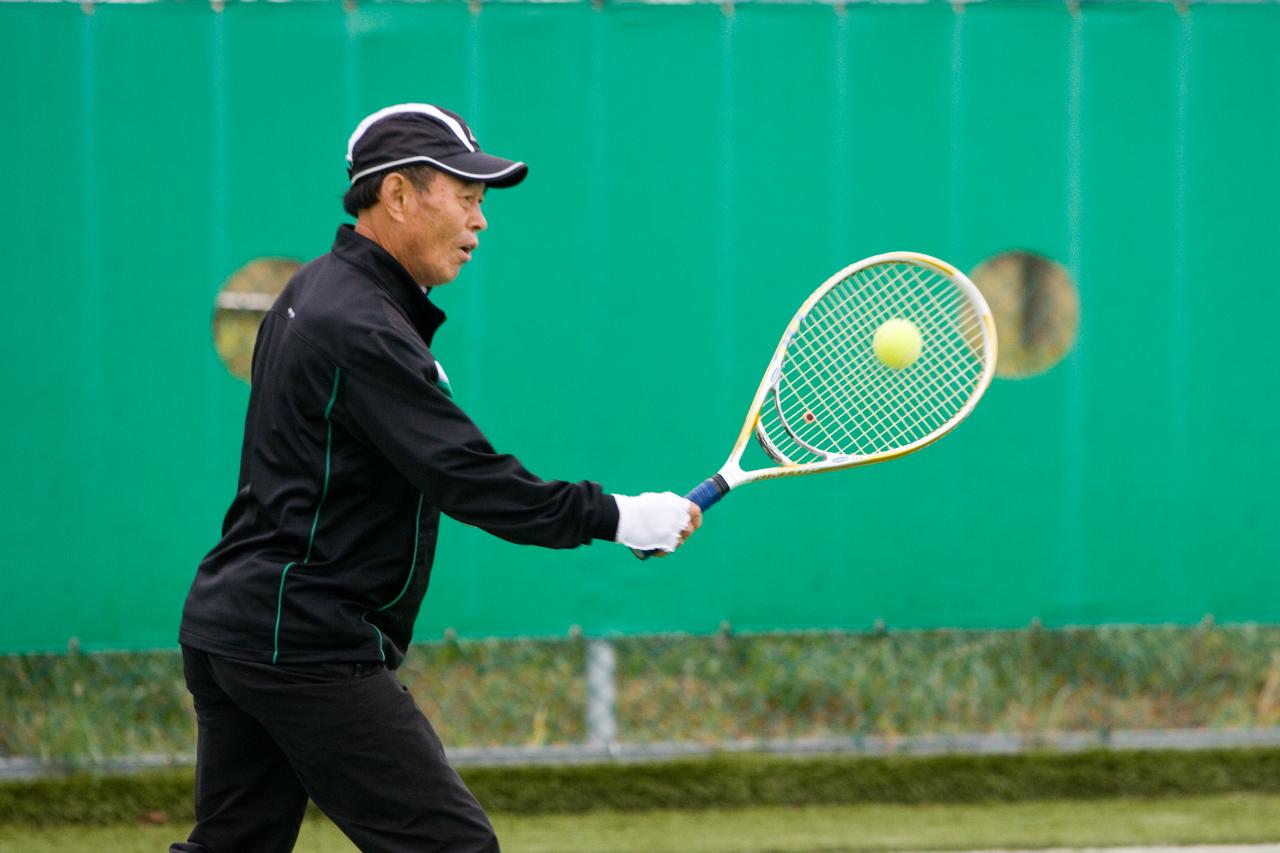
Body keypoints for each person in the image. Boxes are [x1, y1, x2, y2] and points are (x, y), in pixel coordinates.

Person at [171, 102, 700, 853]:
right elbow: (465, 475)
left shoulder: (316, 293)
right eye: (466, 197)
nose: (480, 222)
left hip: (241, 626)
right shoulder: (360, 324)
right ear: (396, 196)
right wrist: (618, 516)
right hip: (304, 644)